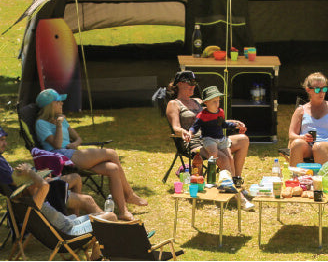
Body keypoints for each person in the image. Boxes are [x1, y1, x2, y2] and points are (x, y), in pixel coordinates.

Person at [35, 88, 147, 221]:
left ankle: (123, 210)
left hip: (72, 152)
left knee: (113, 168)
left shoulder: (62, 120)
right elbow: (57, 145)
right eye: (58, 101)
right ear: (50, 105)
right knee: (112, 153)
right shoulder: (41, 123)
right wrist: (58, 124)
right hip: (60, 157)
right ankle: (129, 194)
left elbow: (78, 138)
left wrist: (74, 144)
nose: (62, 104)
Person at [165, 70, 254, 211]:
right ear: (180, 84)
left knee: (243, 140)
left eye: (195, 84)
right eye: (190, 83)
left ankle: (236, 182)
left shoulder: (199, 101)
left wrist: (234, 122)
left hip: (212, 138)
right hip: (194, 143)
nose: (193, 87)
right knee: (224, 158)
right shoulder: (174, 104)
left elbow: (215, 120)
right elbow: (176, 127)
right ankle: (239, 198)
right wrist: (183, 131)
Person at [0, 125, 101, 216]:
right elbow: (19, 186)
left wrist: (39, 174)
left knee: (76, 177)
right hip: (39, 195)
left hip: (37, 189)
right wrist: (40, 178)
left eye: (5, 139)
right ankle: (108, 227)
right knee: (88, 200)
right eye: (1, 140)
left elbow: (15, 178)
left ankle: (74, 218)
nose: (5, 143)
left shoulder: (1, 160)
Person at [288, 72, 328, 167]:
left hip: (327, 145)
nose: (322, 92)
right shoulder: (300, 110)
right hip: (307, 145)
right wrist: (301, 138)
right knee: (296, 144)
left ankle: (322, 179)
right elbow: (291, 135)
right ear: (308, 90)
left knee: (318, 146)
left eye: (324, 89)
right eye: (317, 90)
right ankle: (296, 179)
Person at [187, 86, 239, 176]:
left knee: (230, 157)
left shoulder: (220, 112)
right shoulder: (202, 115)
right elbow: (195, 127)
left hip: (221, 139)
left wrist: (234, 125)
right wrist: (190, 133)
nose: (217, 103)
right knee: (213, 155)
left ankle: (233, 179)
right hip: (209, 139)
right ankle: (212, 177)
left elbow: (223, 124)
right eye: (214, 101)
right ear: (206, 102)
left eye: (218, 101)